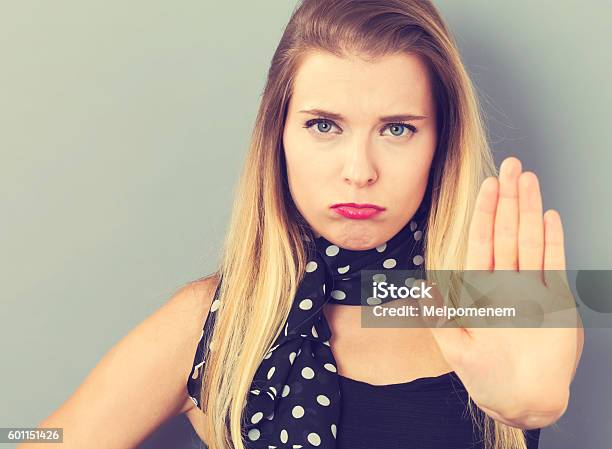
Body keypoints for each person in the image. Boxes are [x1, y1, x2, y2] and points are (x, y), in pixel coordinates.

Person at [18, 1, 583, 449]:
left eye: (397, 129)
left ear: (442, 143)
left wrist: (529, 414)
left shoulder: (503, 304)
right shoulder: (216, 320)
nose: (359, 171)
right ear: (278, 136)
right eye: (323, 125)